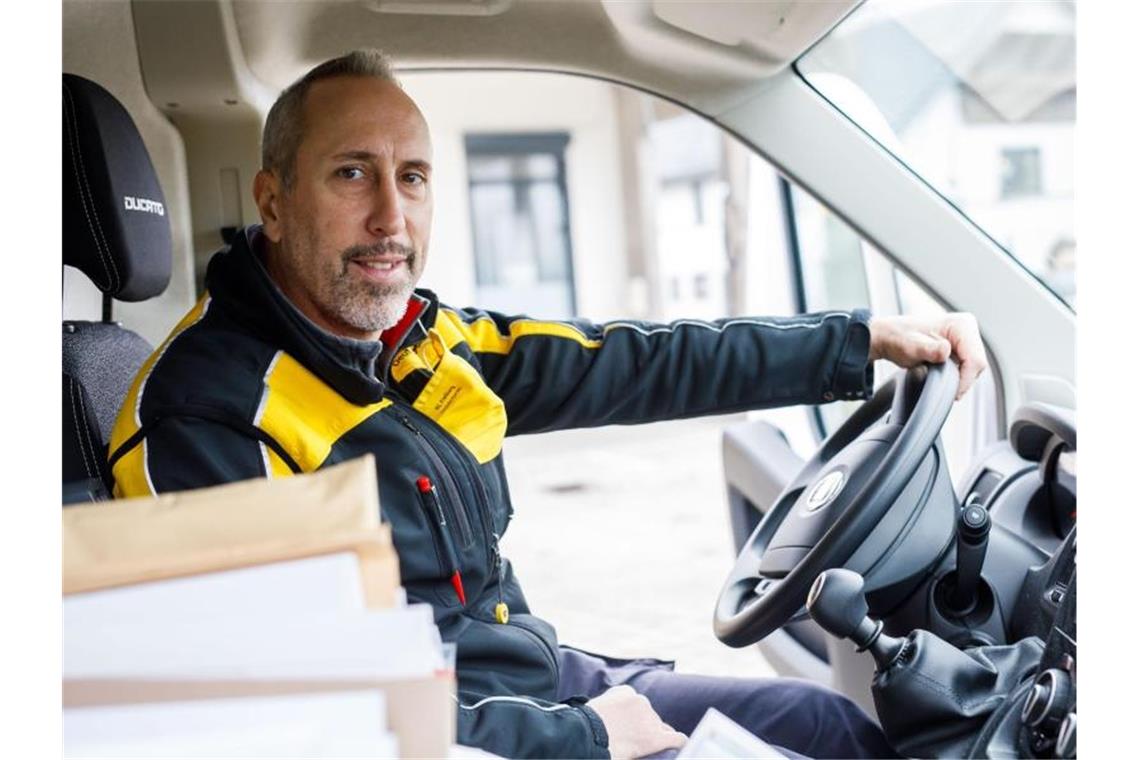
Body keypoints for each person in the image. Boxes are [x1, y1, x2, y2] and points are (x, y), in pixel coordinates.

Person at [107, 49, 987, 759]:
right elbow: (302, 715)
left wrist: (861, 340)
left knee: (827, 730)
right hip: (480, 736)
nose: (390, 218)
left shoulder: (417, 337)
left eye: (412, 178)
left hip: (536, 689)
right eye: (351, 174)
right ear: (273, 198)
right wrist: (587, 737)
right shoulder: (203, 418)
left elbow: (630, 362)